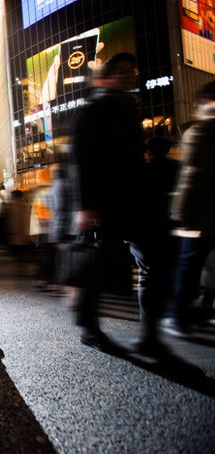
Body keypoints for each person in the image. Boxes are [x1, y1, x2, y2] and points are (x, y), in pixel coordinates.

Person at [68, 52, 172, 357]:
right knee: (98, 264)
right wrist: (85, 206)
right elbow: (81, 159)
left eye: (133, 70)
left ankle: (149, 333)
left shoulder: (129, 108)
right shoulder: (93, 110)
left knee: (152, 261)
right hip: (104, 205)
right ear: (108, 76)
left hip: (134, 202)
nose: (130, 75)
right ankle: (90, 328)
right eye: (123, 71)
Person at [163, 81, 215, 336]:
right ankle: (194, 312)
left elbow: (191, 177)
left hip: (199, 215)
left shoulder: (200, 131)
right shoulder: (202, 130)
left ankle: (180, 315)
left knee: (189, 266)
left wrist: (180, 213)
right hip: (203, 214)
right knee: (199, 267)